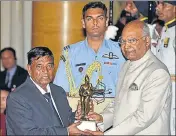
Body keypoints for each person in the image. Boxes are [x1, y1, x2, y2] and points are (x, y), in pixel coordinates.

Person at [84, 20, 172, 135]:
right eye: (123, 41)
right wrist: (102, 119)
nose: (126, 46)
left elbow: (144, 117)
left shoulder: (157, 72)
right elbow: (119, 102)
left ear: (147, 41)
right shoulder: (126, 65)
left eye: (132, 40)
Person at [6, 47, 87, 135]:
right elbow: (27, 133)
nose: (45, 71)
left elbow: (65, 120)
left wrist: (77, 115)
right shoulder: (17, 97)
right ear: (29, 69)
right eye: (39, 66)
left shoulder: (58, 91)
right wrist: (65, 132)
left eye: (49, 66)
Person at [155, 1, 176, 135]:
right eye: (159, 4)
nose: (158, 8)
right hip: (165, 87)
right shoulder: (166, 29)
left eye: (165, 5)